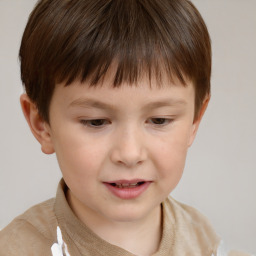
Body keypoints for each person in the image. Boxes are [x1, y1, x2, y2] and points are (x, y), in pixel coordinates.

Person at [0, 0, 253, 255]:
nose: (130, 154)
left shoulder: (205, 243)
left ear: (194, 120)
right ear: (41, 124)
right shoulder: (15, 249)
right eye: (96, 122)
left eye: (159, 120)